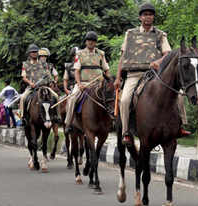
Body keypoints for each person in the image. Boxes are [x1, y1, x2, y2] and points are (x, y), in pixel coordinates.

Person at [114, 2, 190, 146]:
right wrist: (118, 77)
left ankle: (180, 127)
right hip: (134, 74)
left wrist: (158, 61)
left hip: (154, 74)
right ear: (140, 17)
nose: (148, 17)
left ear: (153, 17)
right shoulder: (130, 34)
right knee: (124, 101)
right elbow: (123, 57)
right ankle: (126, 132)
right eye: (145, 14)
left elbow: (167, 54)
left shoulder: (161, 35)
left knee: (179, 96)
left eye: (150, 14)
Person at [64, 31, 111, 133]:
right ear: (86, 42)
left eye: (93, 41)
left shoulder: (101, 54)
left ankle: (114, 121)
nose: (91, 42)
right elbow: (76, 71)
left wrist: (109, 81)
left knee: (113, 96)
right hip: (84, 83)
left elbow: (106, 69)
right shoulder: (79, 54)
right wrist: (79, 84)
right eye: (89, 40)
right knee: (72, 98)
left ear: (95, 43)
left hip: (99, 83)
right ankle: (68, 123)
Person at [19, 44, 57, 123]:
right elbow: (24, 77)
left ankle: (56, 115)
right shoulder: (25, 64)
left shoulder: (43, 64)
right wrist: (30, 83)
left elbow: (48, 75)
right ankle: (23, 117)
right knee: (23, 98)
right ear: (29, 53)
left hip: (44, 87)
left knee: (56, 96)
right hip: (31, 88)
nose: (34, 53)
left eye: (36, 52)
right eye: (32, 52)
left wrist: (51, 81)